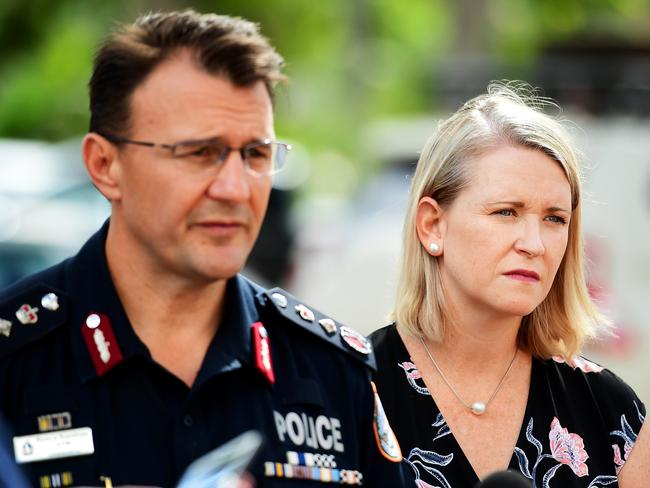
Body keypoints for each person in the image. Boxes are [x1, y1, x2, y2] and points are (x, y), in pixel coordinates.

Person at [0, 10, 412, 488]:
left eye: (256, 154)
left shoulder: (331, 372)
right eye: (199, 153)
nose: (236, 188)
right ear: (105, 164)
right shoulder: (14, 362)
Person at [369, 82, 648, 487]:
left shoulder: (610, 412)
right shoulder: (354, 389)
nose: (534, 244)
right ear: (432, 225)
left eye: (554, 219)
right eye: (505, 212)